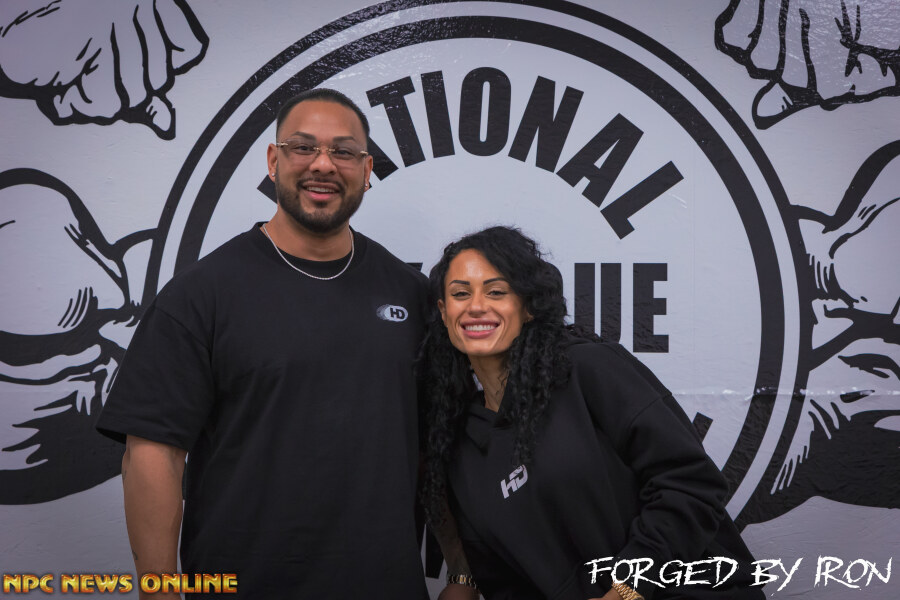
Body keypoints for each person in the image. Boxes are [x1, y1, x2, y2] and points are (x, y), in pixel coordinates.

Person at [97, 89, 432, 599]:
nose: (323, 164)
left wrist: (462, 572)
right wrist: (158, 592)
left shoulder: (410, 294)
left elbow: (441, 447)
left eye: (343, 152)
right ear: (274, 162)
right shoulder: (201, 295)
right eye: (304, 147)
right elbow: (152, 453)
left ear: (367, 171)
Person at [419, 226, 766, 600]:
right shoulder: (461, 442)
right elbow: (503, 578)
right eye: (460, 294)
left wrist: (627, 589)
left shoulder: (587, 369)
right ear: (443, 312)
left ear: (528, 306)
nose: (475, 306)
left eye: (496, 292)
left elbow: (691, 484)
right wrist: (462, 581)